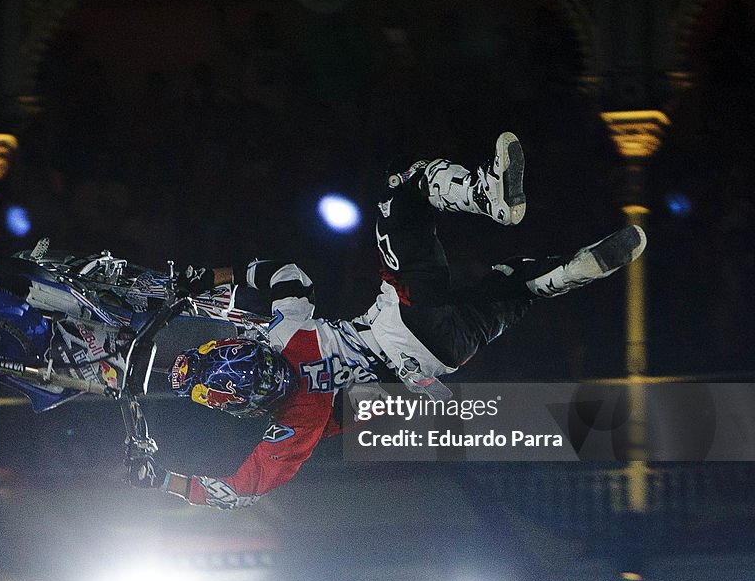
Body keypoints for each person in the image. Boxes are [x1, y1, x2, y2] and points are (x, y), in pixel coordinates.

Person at [128, 133, 647, 509]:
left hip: (441, 360)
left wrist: (166, 481)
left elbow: (238, 491)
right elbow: (288, 274)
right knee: (401, 190)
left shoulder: (295, 426)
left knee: (515, 284)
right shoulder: (285, 336)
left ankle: (573, 271)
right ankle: (487, 198)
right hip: (401, 316)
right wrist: (212, 277)